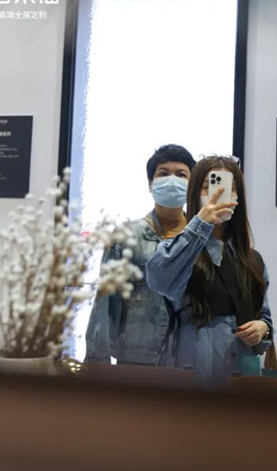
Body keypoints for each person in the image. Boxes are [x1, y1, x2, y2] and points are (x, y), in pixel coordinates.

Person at [146, 155, 274, 386]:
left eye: (229, 188)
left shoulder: (252, 259)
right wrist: (200, 223)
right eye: (209, 186)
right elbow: (159, 280)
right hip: (191, 373)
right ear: (195, 193)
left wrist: (262, 329)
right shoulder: (177, 251)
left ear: (238, 197)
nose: (219, 193)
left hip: (241, 375)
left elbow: (264, 315)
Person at [84, 144, 196, 365]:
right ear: (150, 184)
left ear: (192, 185)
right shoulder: (127, 236)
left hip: (189, 360)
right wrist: (97, 364)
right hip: (136, 358)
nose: (172, 180)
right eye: (163, 174)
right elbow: (106, 302)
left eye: (181, 174)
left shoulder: (200, 237)